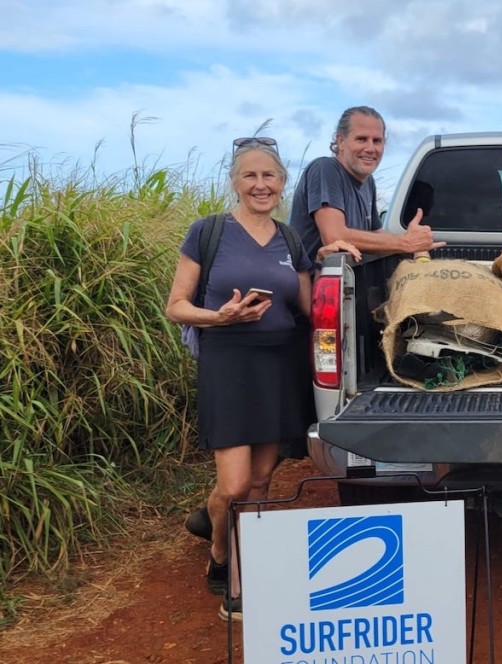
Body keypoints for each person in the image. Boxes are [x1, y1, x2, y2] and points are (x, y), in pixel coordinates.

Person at [166, 138, 355, 620]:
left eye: (269, 176)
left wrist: (337, 257)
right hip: (227, 362)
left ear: (282, 183)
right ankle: (221, 553)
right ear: (235, 182)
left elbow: (311, 309)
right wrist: (220, 316)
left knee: (262, 479)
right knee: (232, 485)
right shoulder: (206, 232)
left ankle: (238, 571)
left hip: (278, 363)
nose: (260, 184)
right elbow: (176, 307)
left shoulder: (291, 241)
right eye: (250, 176)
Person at [289, 105, 444, 266]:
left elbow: (376, 234)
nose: (370, 148)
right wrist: (405, 243)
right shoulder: (325, 169)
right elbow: (334, 236)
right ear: (340, 141)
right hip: (310, 283)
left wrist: (415, 243)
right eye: (361, 139)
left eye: (377, 141)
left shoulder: (368, 182)